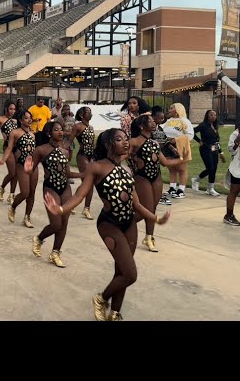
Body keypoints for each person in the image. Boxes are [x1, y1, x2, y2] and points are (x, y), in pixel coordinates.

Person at [42, 128, 171, 321]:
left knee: (122, 270)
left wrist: (156, 218)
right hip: (110, 225)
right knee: (130, 274)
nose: (126, 142)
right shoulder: (97, 167)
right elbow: (80, 195)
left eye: (126, 139)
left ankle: (115, 313)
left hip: (129, 225)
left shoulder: (127, 170)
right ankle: (101, 299)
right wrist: (60, 210)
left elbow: (136, 203)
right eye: (119, 139)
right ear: (108, 144)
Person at [27, 121, 82, 267]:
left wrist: (84, 174)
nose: (60, 132)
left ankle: (55, 253)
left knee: (64, 223)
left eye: (61, 130)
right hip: (50, 188)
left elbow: (68, 172)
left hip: (65, 188)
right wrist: (27, 168)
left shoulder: (65, 149)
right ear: (48, 133)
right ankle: (39, 238)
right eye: (56, 130)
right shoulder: (41, 150)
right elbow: (31, 169)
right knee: (56, 224)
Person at [128, 114, 183, 252]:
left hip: (156, 177)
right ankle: (124, 224)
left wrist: (182, 159)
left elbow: (165, 163)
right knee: (145, 210)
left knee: (152, 208)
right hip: (142, 177)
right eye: (151, 121)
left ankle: (149, 237)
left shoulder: (154, 143)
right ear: (142, 126)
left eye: (154, 121)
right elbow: (122, 155)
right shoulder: (133, 142)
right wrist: (133, 163)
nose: (154, 123)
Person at [0, 111, 37, 228]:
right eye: (26, 118)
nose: (29, 120)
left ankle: (27, 217)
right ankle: (13, 207)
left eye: (30, 118)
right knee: (25, 192)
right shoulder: (15, 132)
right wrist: (3, 160)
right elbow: (9, 148)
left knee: (32, 192)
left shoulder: (33, 134)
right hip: (21, 165)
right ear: (21, 120)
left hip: (33, 166)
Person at [161, 103, 194, 199]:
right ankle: (172, 188)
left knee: (182, 169)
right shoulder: (168, 121)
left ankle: (181, 189)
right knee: (171, 168)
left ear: (178, 110)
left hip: (180, 146)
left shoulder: (185, 121)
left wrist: (176, 139)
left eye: (171, 108)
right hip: (168, 146)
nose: (169, 110)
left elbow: (190, 135)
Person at [192, 109, 226, 196]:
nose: (214, 116)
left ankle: (210, 189)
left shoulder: (215, 126)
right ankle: (196, 180)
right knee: (210, 168)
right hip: (205, 149)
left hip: (214, 149)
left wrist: (221, 153)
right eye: (211, 115)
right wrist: (199, 141)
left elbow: (216, 141)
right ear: (207, 116)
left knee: (214, 169)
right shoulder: (203, 125)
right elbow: (192, 132)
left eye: (215, 115)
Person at [69, 106, 95, 219]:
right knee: (88, 183)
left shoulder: (91, 127)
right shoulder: (78, 126)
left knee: (87, 183)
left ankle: (78, 205)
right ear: (81, 115)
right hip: (82, 155)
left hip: (91, 156)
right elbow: (69, 140)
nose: (90, 114)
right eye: (88, 112)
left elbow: (92, 143)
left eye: (90, 112)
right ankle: (85, 208)